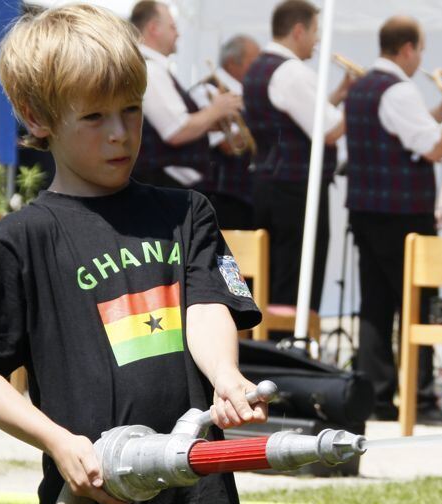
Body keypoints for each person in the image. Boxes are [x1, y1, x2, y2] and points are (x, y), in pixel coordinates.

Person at [0, 6, 271, 504]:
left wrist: (228, 379)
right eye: (94, 118)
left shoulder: (184, 212)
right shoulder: (25, 239)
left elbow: (205, 308)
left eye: (131, 110)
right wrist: (60, 442)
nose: (120, 134)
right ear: (37, 118)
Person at [344, 15, 442, 420]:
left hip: (366, 210)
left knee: (376, 306)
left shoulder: (364, 85)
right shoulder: (398, 90)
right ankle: (420, 398)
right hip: (401, 215)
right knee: (416, 303)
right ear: (406, 49)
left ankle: (377, 397)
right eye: (419, 49)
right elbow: (434, 148)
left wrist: (438, 112)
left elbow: (403, 134)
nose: (420, 58)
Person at [243, 0, 351, 313]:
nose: (317, 41)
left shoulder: (258, 68)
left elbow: (296, 119)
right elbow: (329, 130)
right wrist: (355, 102)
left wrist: (338, 96)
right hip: (296, 187)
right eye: (315, 32)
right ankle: (289, 348)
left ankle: (269, 345)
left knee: (273, 271)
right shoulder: (292, 72)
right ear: (298, 31)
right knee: (297, 274)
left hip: (267, 181)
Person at [129, 1, 241, 190]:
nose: (178, 34)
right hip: (163, 186)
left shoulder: (153, 68)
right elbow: (175, 130)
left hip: (166, 186)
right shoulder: (151, 70)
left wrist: (210, 123)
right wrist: (216, 109)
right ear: (154, 28)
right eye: (173, 27)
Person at [191, 35, 262, 231]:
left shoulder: (244, 94)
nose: (258, 70)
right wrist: (262, 127)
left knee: (244, 256)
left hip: (243, 194)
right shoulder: (207, 90)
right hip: (220, 195)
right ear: (232, 63)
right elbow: (227, 145)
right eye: (254, 62)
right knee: (224, 259)